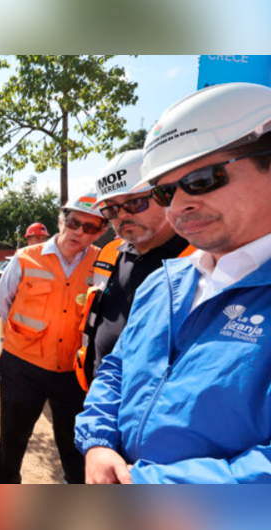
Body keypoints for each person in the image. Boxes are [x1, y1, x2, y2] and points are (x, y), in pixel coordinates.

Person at [76, 82, 271, 484]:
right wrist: (98, 442)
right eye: (166, 191)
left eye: (202, 179)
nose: (180, 204)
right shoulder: (164, 283)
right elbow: (118, 367)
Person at [0, 192, 107, 484]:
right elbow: (2, 304)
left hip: (72, 371)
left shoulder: (103, 263)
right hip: (22, 368)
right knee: (12, 442)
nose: (79, 232)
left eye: (90, 227)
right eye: (74, 222)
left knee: (74, 446)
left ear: (101, 231)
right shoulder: (25, 258)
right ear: (61, 221)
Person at [74, 150, 193, 391]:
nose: (122, 215)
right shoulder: (110, 253)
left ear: (165, 194)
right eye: (111, 209)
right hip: (98, 395)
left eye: (135, 202)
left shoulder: (198, 260)